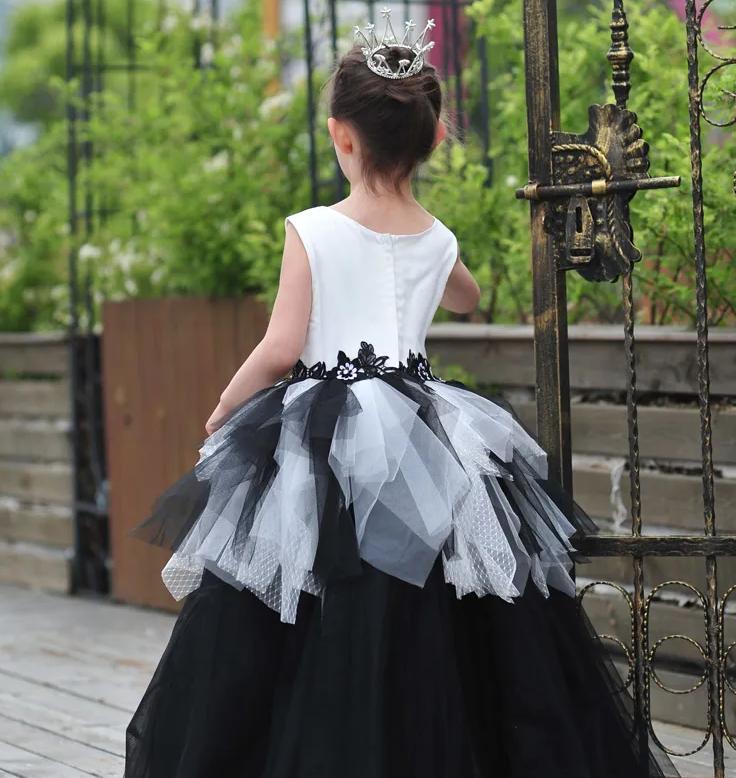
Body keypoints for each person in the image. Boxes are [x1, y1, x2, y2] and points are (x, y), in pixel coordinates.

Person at [124, 10, 680, 778]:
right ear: (434, 139)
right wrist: (432, 257)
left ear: (340, 136)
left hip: (323, 426)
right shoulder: (438, 235)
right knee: (431, 604)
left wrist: (226, 406)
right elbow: (467, 298)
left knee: (308, 599)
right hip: (427, 432)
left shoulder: (313, 229)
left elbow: (283, 346)